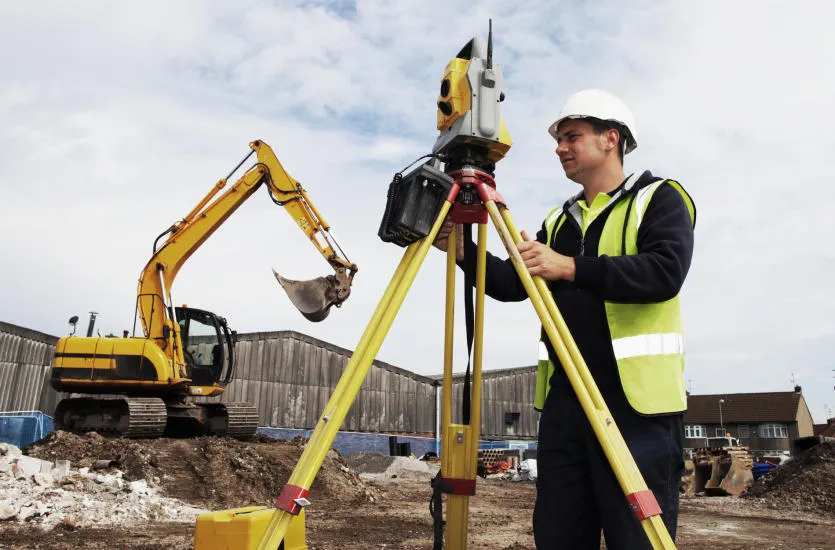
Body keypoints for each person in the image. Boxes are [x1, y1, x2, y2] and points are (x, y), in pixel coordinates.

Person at [433, 89, 695, 549]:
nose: (560, 148)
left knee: (636, 539)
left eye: (572, 136)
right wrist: (460, 250)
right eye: (559, 140)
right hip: (566, 407)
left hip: (637, 410)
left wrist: (570, 266)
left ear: (611, 139)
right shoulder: (559, 221)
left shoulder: (659, 198)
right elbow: (514, 283)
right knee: (559, 535)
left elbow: (664, 272)